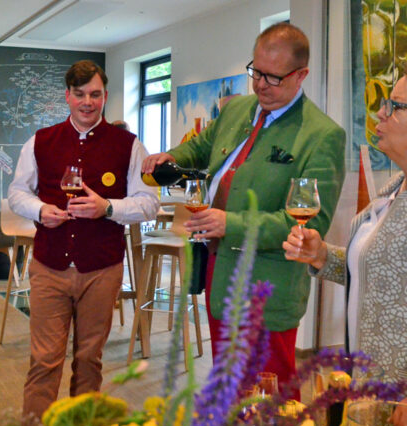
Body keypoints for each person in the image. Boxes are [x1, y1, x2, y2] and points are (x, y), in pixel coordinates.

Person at [142, 23, 346, 396]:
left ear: (301, 75)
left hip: (267, 287)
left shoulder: (321, 136)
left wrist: (230, 224)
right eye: (256, 72)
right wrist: (172, 155)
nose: (260, 85)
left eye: (273, 77)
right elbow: (202, 146)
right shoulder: (238, 110)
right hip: (219, 270)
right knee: (229, 386)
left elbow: (308, 225)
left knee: (268, 395)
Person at [8, 60, 159, 422]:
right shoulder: (40, 141)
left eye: (95, 94)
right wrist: (41, 210)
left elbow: (149, 203)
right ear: (68, 96)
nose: (87, 102)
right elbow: (16, 192)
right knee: (44, 360)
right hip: (49, 266)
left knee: (90, 360)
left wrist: (108, 208)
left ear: (105, 96)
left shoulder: (129, 145)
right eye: (80, 95)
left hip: (101, 269)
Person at [283, 75, 407, 384]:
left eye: (395, 106)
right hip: (369, 381)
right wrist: (322, 255)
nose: (381, 112)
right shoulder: (395, 187)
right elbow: (383, 271)